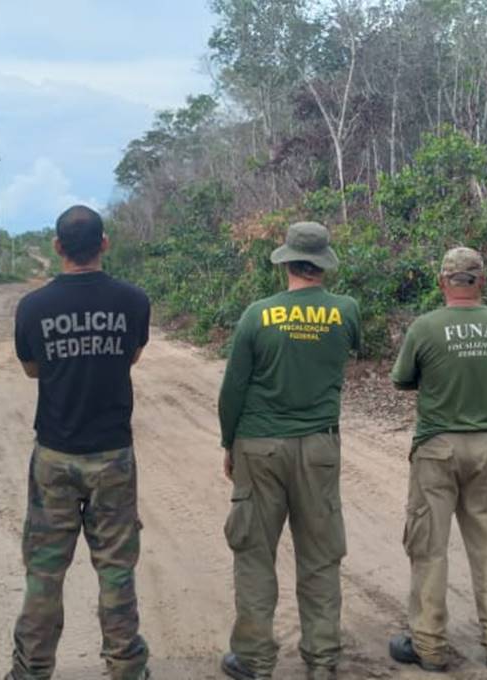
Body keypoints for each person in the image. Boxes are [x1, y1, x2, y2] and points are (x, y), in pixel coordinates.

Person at [6, 205, 152, 680]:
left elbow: (32, 369)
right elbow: (130, 356)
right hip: (113, 453)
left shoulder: (33, 307)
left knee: (45, 572)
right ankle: (127, 667)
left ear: (57, 247)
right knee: (115, 568)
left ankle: (31, 671)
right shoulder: (133, 300)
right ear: (104, 244)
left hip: (55, 453)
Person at [217, 222, 361, 680]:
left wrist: (229, 443)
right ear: (323, 264)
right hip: (319, 446)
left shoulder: (257, 315)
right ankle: (321, 661)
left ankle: (256, 661)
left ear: (286, 262)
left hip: (258, 446)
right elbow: (352, 352)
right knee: (320, 555)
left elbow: (233, 389)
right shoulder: (346, 311)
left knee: (255, 553)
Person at [387, 246, 487, 672]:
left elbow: (402, 379)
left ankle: (429, 645)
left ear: (442, 282)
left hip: (437, 448)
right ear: (481, 281)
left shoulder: (425, 327)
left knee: (429, 549)